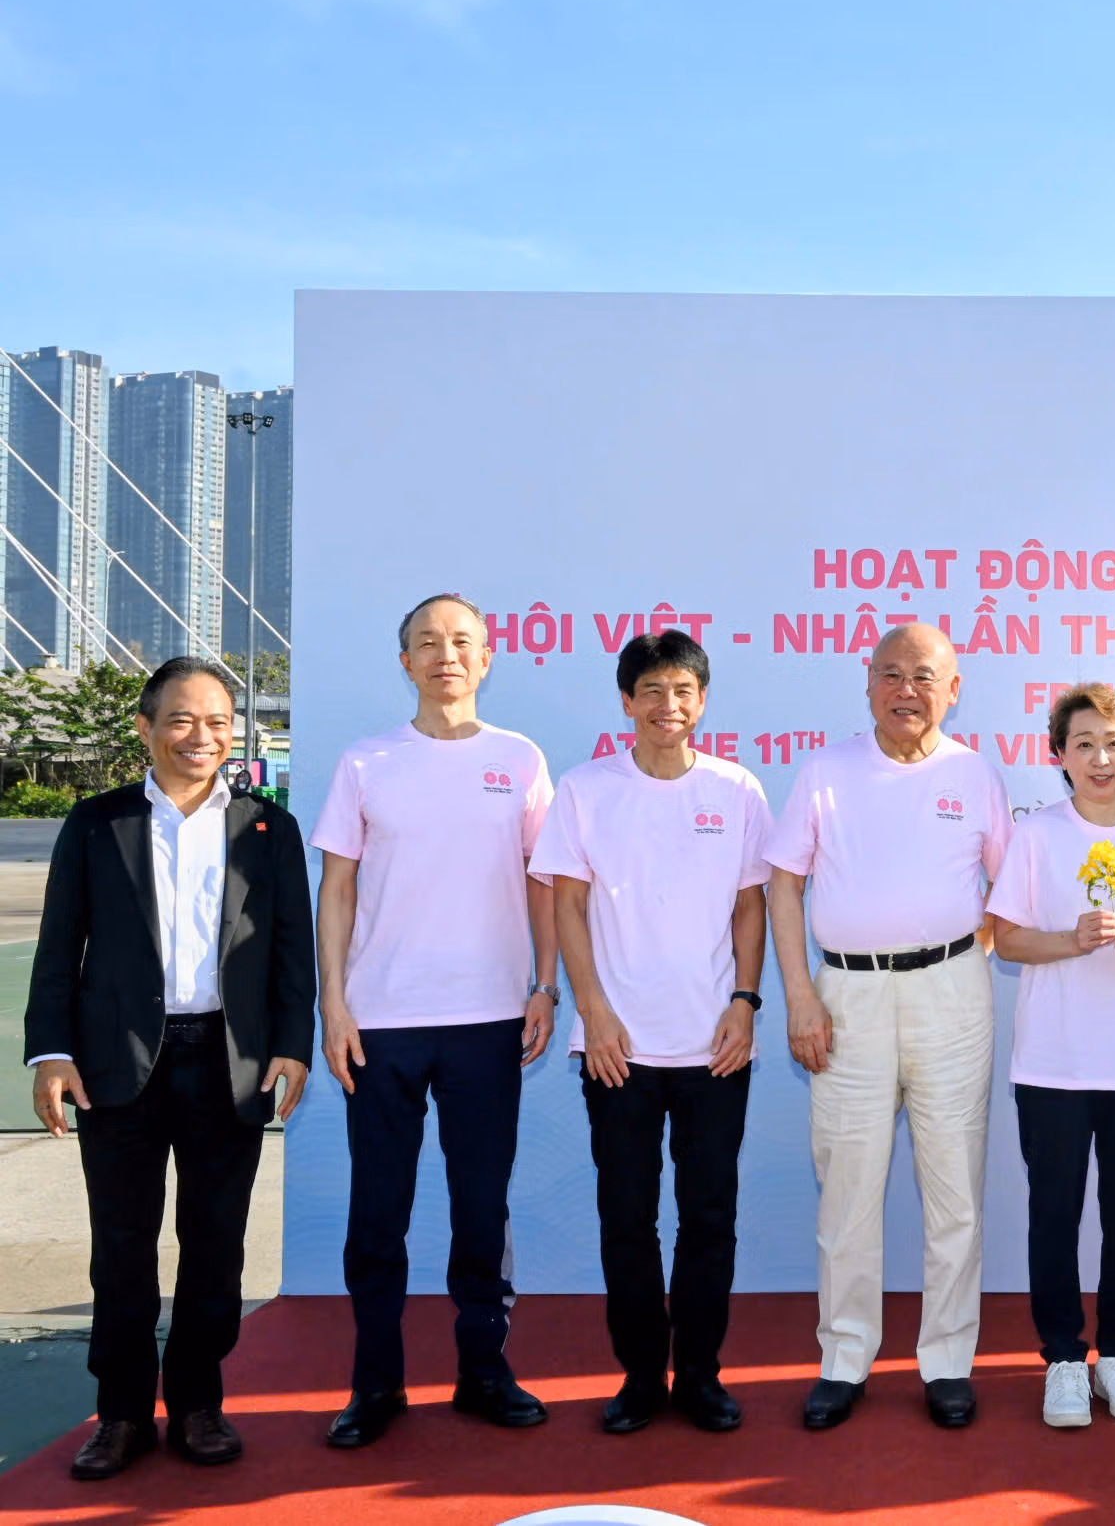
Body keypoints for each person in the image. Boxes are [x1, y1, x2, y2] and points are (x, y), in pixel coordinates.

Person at [25, 657, 314, 1480]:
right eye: (183, 719)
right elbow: (59, 945)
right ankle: (120, 1412)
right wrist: (51, 1052)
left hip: (229, 1061)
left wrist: (292, 1042)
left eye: (218, 721)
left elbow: (292, 949)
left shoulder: (268, 827)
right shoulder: (96, 822)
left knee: (215, 1243)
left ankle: (196, 1403)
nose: (202, 736)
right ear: (145, 727)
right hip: (117, 1065)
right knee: (121, 1246)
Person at [313, 594, 559, 1449]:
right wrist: (333, 1000)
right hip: (381, 1023)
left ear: (487, 658)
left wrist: (546, 983)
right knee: (377, 1212)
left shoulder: (519, 758)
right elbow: (337, 887)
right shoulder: (366, 761)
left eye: (461, 641)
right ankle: (375, 1383)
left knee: (481, 1209)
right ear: (406, 661)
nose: (445, 654)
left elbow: (544, 880)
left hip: (490, 1018)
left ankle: (484, 1369)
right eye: (427, 642)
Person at [769, 621, 1012, 1431]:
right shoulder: (825, 770)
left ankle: (947, 1360)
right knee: (847, 1185)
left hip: (952, 994)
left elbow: (1011, 889)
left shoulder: (975, 773)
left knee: (955, 1188)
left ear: (954, 688)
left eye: (924, 676)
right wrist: (800, 995)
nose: (907, 690)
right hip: (847, 995)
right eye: (891, 673)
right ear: (867, 681)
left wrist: (955, 953)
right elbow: (783, 883)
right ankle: (844, 1357)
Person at [530, 632, 771, 1435]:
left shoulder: (737, 789)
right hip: (617, 1048)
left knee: (709, 1217)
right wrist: (593, 1010)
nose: (669, 705)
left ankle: (699, 1374)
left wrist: (745, 1001)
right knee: (627, 1217)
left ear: (702, 700)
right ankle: (639, 1375)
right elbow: (567, 905)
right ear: (627, 701)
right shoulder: (586, 789)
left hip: (717, 1046)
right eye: (653, 690)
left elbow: (750, 906)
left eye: (683, 690)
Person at [986, 684, 1115, 1430]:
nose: (1100, 758)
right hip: (1053, 1063)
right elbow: (1006, 939)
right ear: (1060, 756)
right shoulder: (1038, 835)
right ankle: (1064, 1359)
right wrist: (1070, 939)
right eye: (1083, 744)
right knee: (1054, 1214)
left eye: (1113, 742)